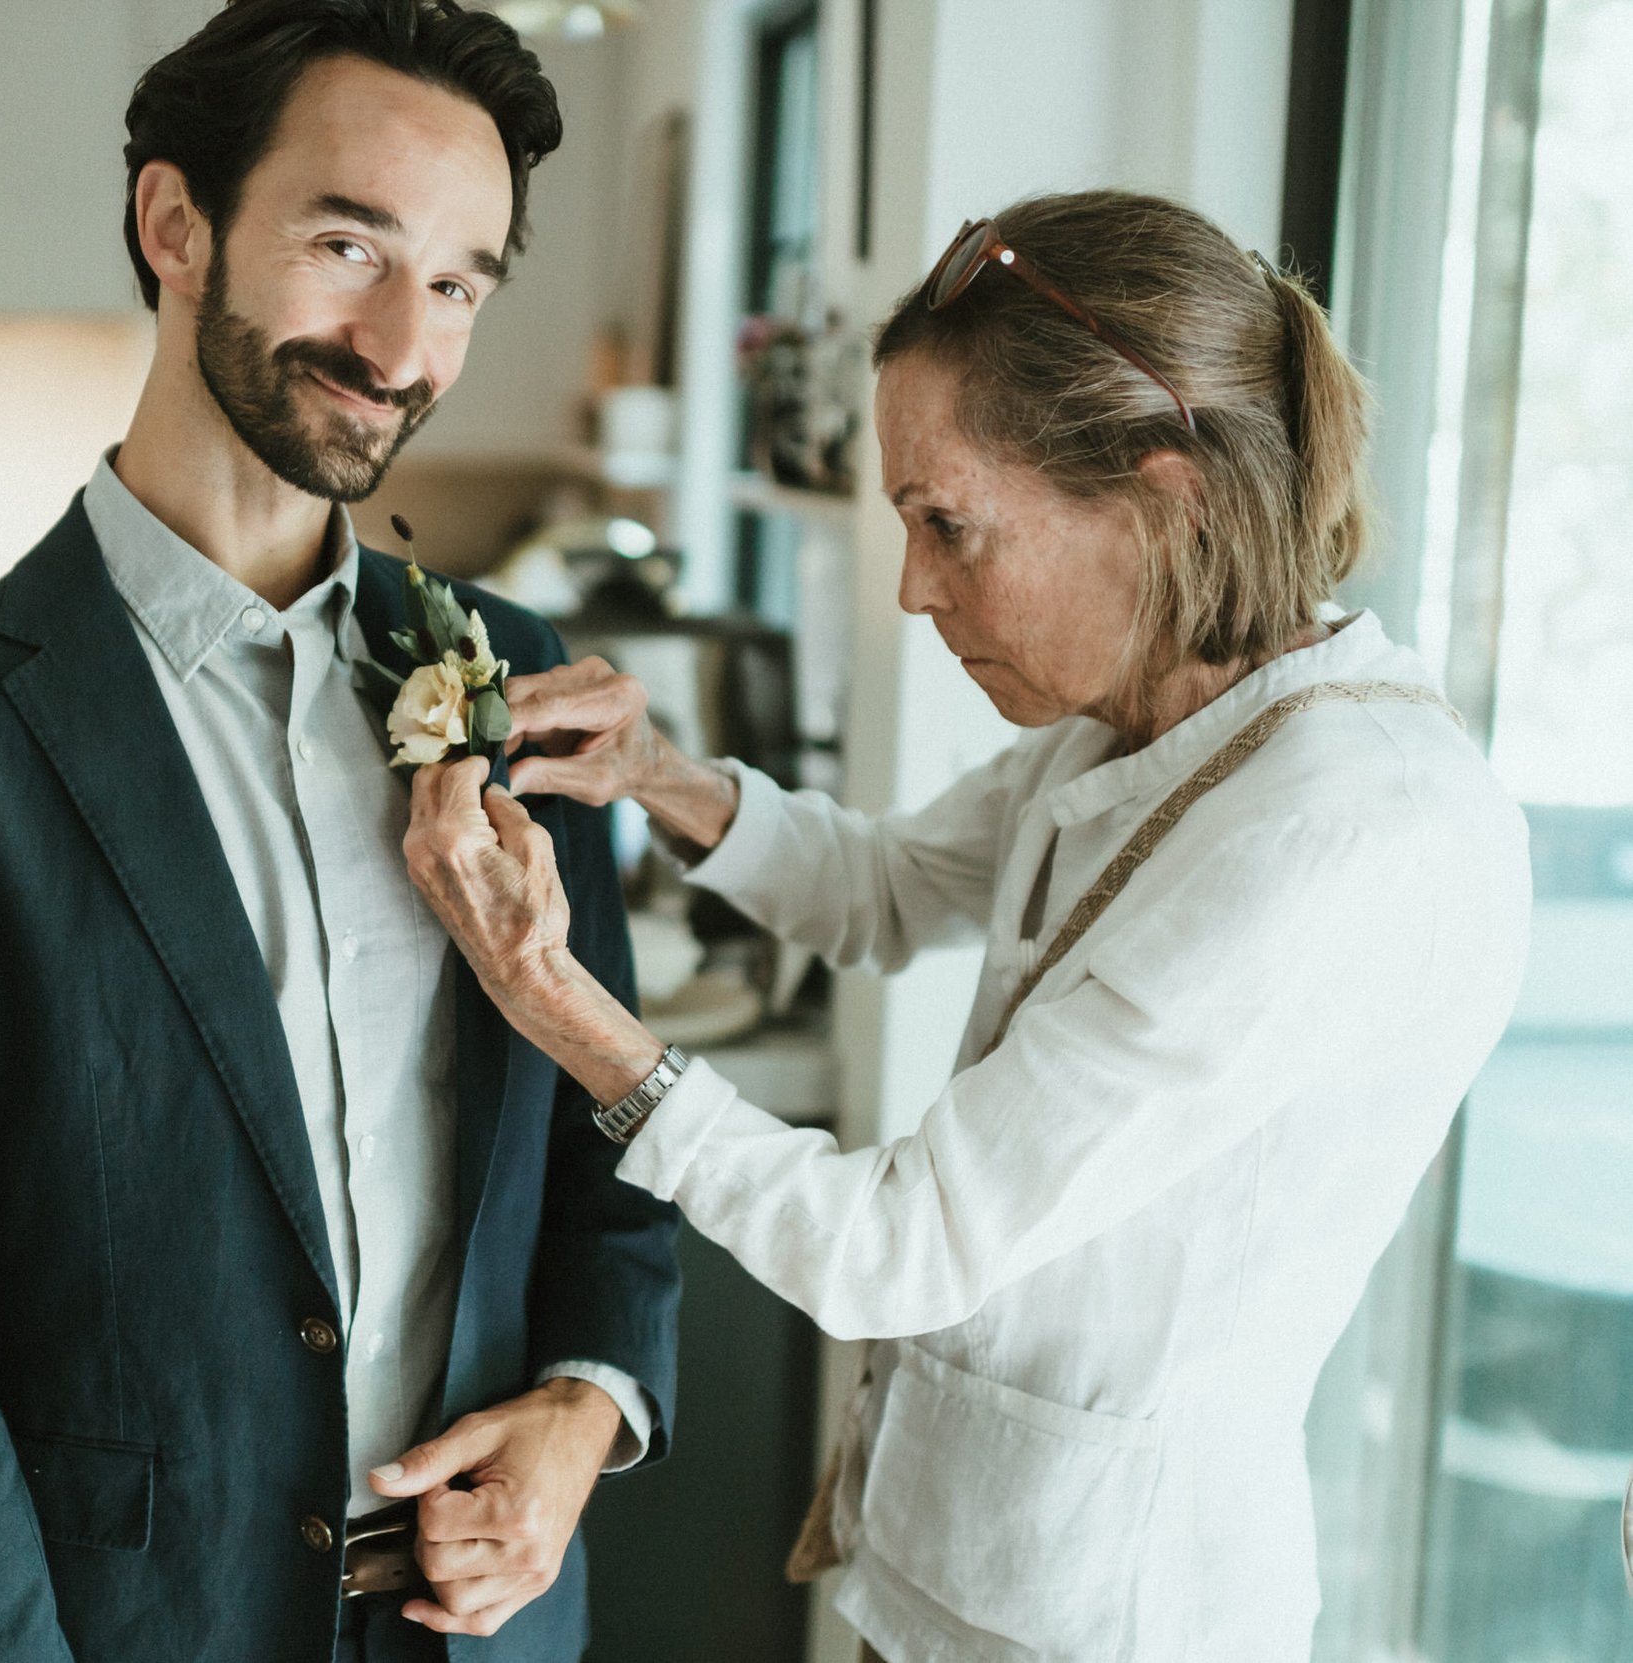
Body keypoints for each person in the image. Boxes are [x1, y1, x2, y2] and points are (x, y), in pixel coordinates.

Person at [401, 190, 1532, 1662]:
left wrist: (549, 993)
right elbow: (882, 888)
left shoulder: (1333, 830)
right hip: (940, 1573)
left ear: (1164, 495)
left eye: (949, 525)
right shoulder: (1142, 719)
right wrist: (654, 774)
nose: (915, 588)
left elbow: (893, 1250)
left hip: (1102, 1620)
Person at [0, 4, 679, 1661]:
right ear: (175, 225)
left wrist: (588, 1406)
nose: (405, 345)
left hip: (492, 1634)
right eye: (351, 244)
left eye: (461, 281)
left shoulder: (517, 682)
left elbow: (610, 1134)